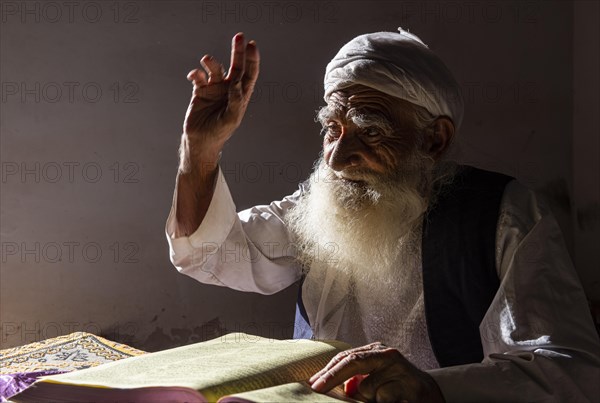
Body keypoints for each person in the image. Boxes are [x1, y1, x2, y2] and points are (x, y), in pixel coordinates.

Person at [166, 30, 600, 402]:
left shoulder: (502, 213)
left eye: (370, 130)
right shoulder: (323, 206)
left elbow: (568, 372)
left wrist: (433, 388)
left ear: (434, 139)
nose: (338, 157)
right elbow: (209, 254)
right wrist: (201, 151)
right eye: (332, 129)